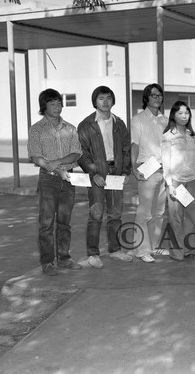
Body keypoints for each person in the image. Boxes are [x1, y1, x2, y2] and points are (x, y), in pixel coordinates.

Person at [28, 88, 82, 276]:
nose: (57, 106)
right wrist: (56, 169)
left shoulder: (70, 128)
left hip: (68, 178)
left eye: (59, 103)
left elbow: (77, 153)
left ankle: (64, 257)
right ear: (44, 106)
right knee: (46, 223)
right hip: (47, 180)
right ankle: (48, 262)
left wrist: (58, 163)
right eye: (52, 103)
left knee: (65, 222)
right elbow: (36, 157)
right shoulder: (37, 129)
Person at [77, 86, 132, 269]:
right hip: (97, 174)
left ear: (113, 100)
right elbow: (82, 152)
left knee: (116, 213)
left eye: (108, 98)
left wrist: (125, 171)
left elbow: (126, 149)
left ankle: (115, 250)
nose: (105, 101)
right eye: (101, 98)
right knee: (96, 213)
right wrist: (93, 173)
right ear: (95, 101)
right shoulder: (86, 125)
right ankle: (93, 254)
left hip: (115, 172)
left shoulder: (119, 124)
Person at [130, 83, 169, 263]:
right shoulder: (138, 119)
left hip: (164, 169)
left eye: (159, 95)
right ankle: (141, 250)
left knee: (159, 212)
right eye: (153, 95)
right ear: (146, 98)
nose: (157, 98)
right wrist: (134, 168)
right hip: (147, 168)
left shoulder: (165, 120)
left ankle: (154, 246)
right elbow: (134, 145)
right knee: (144, 212)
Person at [161, 101, 195, 261]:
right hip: (176, 182)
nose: (184, 116)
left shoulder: (192, 135)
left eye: (186, 113)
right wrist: (169, 184)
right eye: (180, 113)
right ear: (173, 115)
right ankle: (177, 252)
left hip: (191, 180)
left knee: (190, 217)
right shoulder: (167, 137)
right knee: (175, 218)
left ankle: (188, 249)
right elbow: (166, 161)